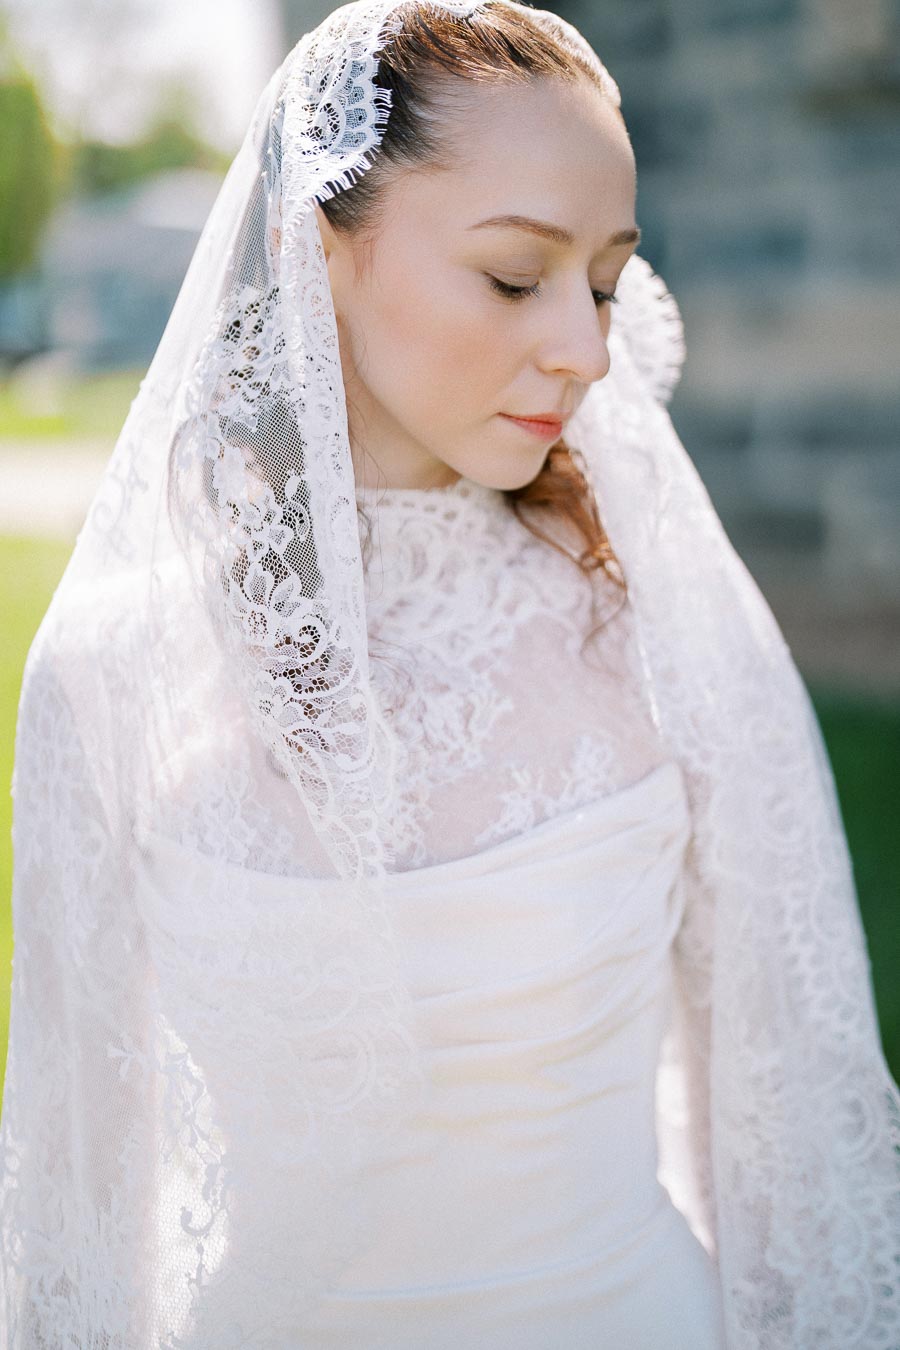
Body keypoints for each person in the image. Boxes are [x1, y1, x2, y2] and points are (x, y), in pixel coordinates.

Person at [1, 1, 897, 1346]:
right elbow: (77, 1205)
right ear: (323, 251)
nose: (587, 350)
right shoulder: (112, 667)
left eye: (602, 284)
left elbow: (788, 1140)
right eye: (515, 274)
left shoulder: (657, 624)